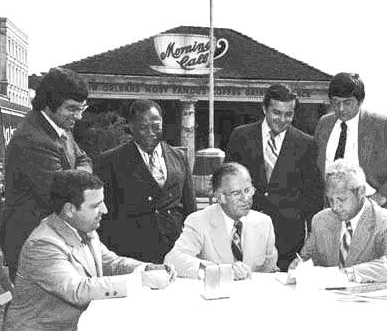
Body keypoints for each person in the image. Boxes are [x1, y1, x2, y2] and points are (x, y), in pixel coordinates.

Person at [2, 170, 176, 331]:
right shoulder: (42, 245)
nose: (105, 210)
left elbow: (111, 263)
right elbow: (77, 289)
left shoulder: (84, 228)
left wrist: (147, 268)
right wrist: (141, 280)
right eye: (95, 205)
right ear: (70, 209)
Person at [0, 67, 93, 279]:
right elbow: (64, 195)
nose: (78, 116)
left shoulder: (59, 126)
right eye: (72, 109)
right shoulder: (33, 139)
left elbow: (84, 159)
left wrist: (77, 176)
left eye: (82, 108)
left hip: (52, 235)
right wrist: (80, 179)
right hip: (31, 240)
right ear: (48, 103)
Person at [225, 84, 323, 271]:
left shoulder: (307, 144)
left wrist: (311, 241)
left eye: (289, 114)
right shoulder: (241, 136)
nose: (282, 120)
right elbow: (228, 182)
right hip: (246, 231)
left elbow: (313, 197)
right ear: (264, 109)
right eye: (276, 113)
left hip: (288, 239)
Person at [94, 99, 196, 264]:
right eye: (143, 127)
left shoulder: (179, 157)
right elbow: (105, 215)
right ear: (131, 127)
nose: (150, 132)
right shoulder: (110, 161)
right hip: (132, 251)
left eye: (155, 126)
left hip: (175, 249)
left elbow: (190, 207)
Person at [314, 72, 387, 215]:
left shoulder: (381, 124)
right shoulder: (324, 123)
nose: (341, 109)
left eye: (348, 103)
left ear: (360, 101)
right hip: (332, 208)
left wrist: (383, 195)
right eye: (335, 102)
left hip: (373, 210)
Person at [290, 159, 387, 283]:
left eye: (341, 199)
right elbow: (307, 257)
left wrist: (350, 274)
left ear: (361, 192)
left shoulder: (386, 221)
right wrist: (299, 266)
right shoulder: (321, 219)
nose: (335, 207)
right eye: (330, 200)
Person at [165, 163, 278, 280]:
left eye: (248, 190)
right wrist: (219, 270)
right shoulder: (199, 221)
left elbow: (270, 271)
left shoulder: (264, 222)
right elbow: (173, 259)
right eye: (236, 193)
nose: (246, 198)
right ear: (219, 197)